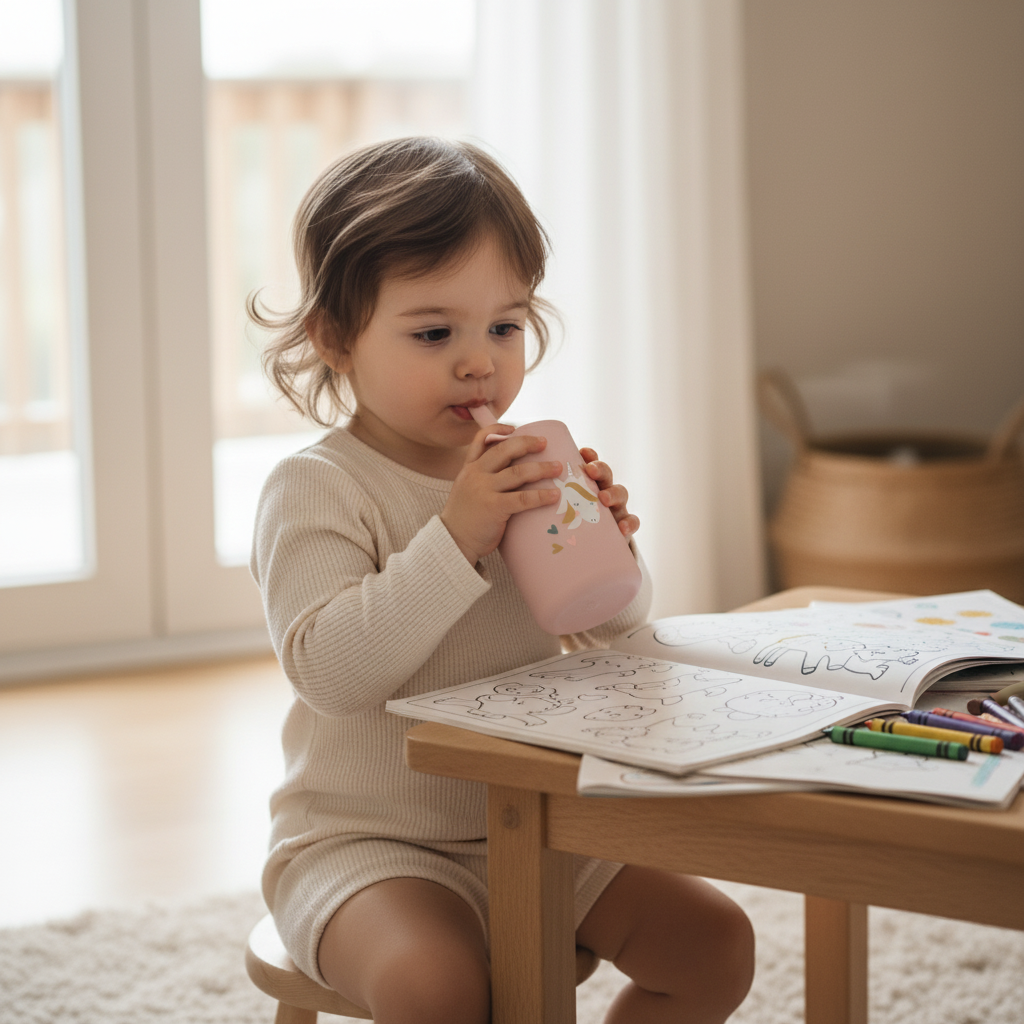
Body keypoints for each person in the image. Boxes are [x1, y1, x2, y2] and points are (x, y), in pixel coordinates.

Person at [250, 136, 754, 1024]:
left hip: (540, 822)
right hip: (372, 843)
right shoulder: (319, 487)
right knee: (437, 990)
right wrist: (456, 537)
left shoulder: (518, 469)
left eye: (505, 326)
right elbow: (329, 673)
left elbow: (621, 641)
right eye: (434, 332)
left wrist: (612, 559)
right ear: (336, 337)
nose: (479, 361)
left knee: (717, 945)